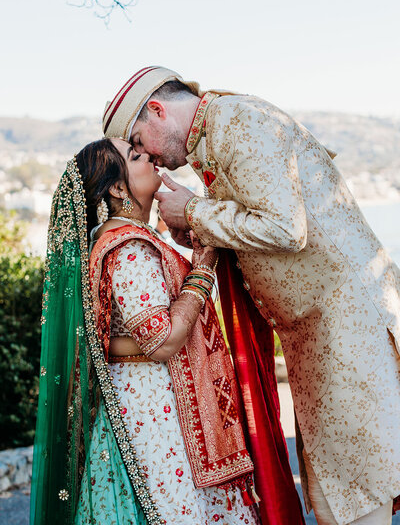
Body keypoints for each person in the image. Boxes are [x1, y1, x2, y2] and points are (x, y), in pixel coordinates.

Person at [102, 66, 400, 525]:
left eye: (140, 142)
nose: (149, 159)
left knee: (358, 499)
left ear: (158, 110)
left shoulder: (237, 121)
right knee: (340, 499)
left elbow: (286, 229)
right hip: (320, 338)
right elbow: (256, 230)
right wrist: (195, 226)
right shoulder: (217, 135)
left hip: (345, 330)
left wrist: (197, 211)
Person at [30, 138, 304, 524]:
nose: (152, 160)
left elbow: (111, 336)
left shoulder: (115, 239)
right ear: (118, 187)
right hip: (154, 414)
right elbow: (162, 340)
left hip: (145, 400)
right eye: (137, 157)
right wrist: (204, 267)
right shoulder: (128, 247)